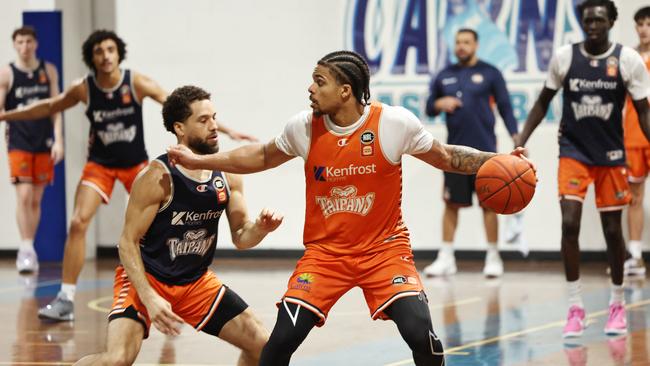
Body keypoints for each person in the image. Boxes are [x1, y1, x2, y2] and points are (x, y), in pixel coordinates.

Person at [168, 50, 532, 366]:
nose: (310, 88)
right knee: (279, 343)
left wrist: (499, 160)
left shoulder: (392, 123)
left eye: (319, 81)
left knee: (421, 335)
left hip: (384, 251)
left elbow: (448, 156)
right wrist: (202, 156)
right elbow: (261, 156)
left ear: (344, 91)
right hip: (326, 255)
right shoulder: (304, 128)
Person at [0, 30, 257, 321]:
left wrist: (226, 129)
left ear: (119, 52)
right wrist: (6, 116)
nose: (106, 55)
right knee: (77, 221)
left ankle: (170, 290)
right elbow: (49, 106)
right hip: (99, 164)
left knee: (156, 224)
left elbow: (183, 109)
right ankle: (65, 298)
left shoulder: (136, 82)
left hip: (135, 163)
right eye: (99, 51)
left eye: (111, 49)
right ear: (91, 57)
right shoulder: (83, 88)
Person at [75, 85, 279, 365]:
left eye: (214, 117)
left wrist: (260, 228)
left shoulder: (227, 175)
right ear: (180, 128)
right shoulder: (157, 177)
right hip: (145, 278)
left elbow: (242, 237)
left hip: (195, 283)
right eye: (203, 120)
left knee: (264, 347)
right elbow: (127, 242)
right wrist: (149, 297)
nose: (214, 126)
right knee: (117, 360)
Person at [516, 0, 650, 337]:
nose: (592, 25)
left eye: (599, 20)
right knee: (570, 223)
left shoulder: (628, 60)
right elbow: (543, 102)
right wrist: (521, 138)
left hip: (611, 153)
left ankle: (617, 302)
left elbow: (644, 111)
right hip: (573, 151)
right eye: (588, 20)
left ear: (610, 22)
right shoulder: (565, 57)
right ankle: (575, 307)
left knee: (612, 231)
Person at [424, 28, 519, 278]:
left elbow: (506, 108)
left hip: (485, 152)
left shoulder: (490, 73)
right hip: (453, 154)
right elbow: (429, 107)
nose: (461, 46)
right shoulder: (444, 75)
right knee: (451, 204)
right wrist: (438, 103)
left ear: (476, 45)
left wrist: (516, 137)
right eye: (458, 42)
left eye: (466, 42)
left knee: (489, 205)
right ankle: (446, 258)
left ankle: (493, 257)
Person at [0, 26, 64, 274]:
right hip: (19, 142)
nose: (24, 46)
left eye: (28, 41)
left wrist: (59, 140)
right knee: (24, 196)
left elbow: (55, 108)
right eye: (20, 42)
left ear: (35, 44)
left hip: (43, 142)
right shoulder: (7, 73)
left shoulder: (48, 71)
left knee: (36, 199)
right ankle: (25, 248)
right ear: (14, 45)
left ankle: (30, 247)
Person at [622, 6, 650, 277]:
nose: (644, 29)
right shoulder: (627, 59)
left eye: (648, 24)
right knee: (635, 197)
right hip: (634, 136)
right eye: (640, 24)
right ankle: (636, 256)